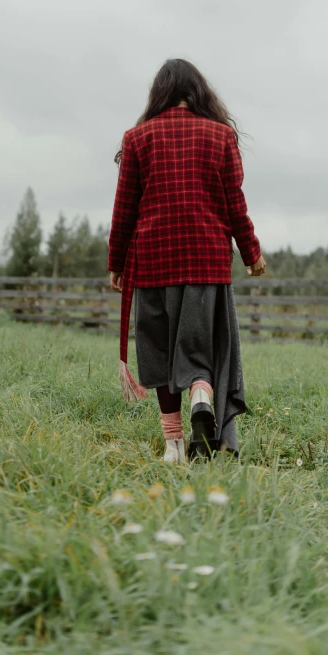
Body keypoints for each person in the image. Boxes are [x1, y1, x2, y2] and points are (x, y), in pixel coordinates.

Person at [108, 59, 265, 461]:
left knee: (158, 350)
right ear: (198, 92)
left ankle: (173, 445)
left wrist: (116, 262)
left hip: (153, 259)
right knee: (200, 349)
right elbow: (235, 204)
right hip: (206, 260)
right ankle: (200, 394)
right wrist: (251, 253)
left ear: (159, 92)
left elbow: (124, 208)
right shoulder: (220, 136)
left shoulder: (136, 138)